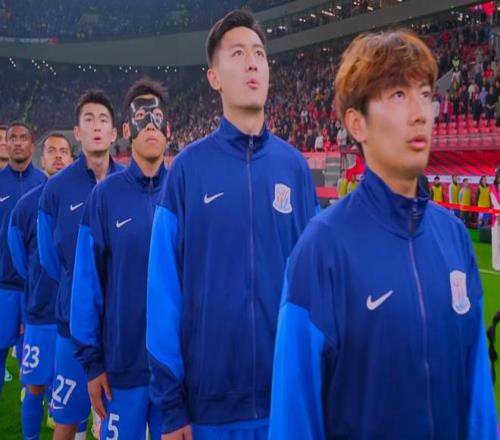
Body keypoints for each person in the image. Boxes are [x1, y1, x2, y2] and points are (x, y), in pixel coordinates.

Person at [269, 29, 497, 439]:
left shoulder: (454, 238)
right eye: (398, 95)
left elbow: (479, 401)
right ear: (357, 123)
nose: (420, 113)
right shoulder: (322, 249)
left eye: (425, 94)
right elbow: (294, 418)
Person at [146, 9, 318, 440]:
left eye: (259, 53)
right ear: (214, 77)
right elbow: (163, 291)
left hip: (286, 402)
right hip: (209, 408)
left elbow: (318, 287)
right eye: (238, 54)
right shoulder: (187, 170)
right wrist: (171, 407)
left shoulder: (295, 168)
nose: (252, 63)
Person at [71, 78, 169, 440]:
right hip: (120, 369)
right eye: (141, 117)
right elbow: (86, 283)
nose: (151, 126)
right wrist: (92, 363)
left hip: (176, 373)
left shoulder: (186, 191)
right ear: (127, 130)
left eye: (158, 117)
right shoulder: (104, 197)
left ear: (169, 129)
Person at [38, 90, 123, 440]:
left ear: (114, 133)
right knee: (67, 421)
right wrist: (78, 287)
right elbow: (49, 258)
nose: (96, 126)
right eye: (89, 119)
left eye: (103, 120)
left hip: (119, 330)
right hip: (72, 329)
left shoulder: (128, 185)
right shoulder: (56, 189)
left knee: (117, 424)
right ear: (77, 132)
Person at [8, 133, 74, 439]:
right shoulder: (25, 206)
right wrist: (38, 285)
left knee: (73, 389)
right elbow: (19, 258)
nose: (58, 155)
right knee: (35, 386)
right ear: (42, 159)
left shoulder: (88, 199)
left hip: (75, 316)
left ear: (72, 159)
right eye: (52, 151)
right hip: (41, 313)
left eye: (64, 151)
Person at [0, 121, 46, 398]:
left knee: (34, 367)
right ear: (6, 144)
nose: (17, 142)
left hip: (35, 290)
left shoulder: (45, 184)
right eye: (12, 138)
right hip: (3, 286)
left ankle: (38, 415)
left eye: (23, 137)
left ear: (32, 144)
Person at [490, 170, 500, 270]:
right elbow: (494, 202)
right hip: (496, 218)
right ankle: (496, 264)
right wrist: (498, 215)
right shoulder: (493, 187)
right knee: (496, 240)